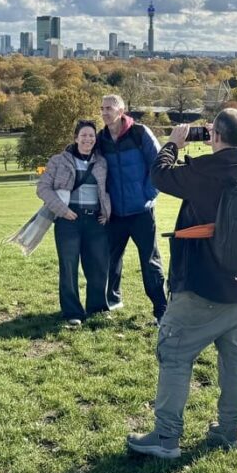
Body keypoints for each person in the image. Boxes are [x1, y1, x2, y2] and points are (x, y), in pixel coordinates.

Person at [127, 108, 237, 459]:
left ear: (215, 137)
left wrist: (174, 144)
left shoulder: (205, 172)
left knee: (175, 354)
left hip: (202, 286)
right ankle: (229, 431)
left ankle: (166, 438)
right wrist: (228, 136)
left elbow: (160, 175)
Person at [97, 95, 168, 321]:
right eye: (102, 108)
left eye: (109, 108)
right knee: (110, 258)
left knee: (150, 261)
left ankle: (161, 311)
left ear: (121, 110)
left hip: (141, 212)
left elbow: (159, 165)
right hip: (115, 214)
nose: (104, 112)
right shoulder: (101, 139)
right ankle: (112, 300)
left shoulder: (140, 133)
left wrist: (148, 195)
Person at [36, 120, 112, 328]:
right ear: (76, 138)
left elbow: (107, 190)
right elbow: (43, 188)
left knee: (98, 265)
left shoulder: (102, 162)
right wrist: (63, 210)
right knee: (69, 266)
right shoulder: (59, 161)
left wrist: (106, 212)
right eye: (84, 135)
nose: (88, 139)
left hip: (95, 220)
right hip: (69, 220)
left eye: (91, 136)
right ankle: (72, 311)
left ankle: (97, 307)